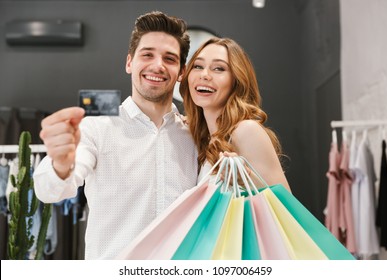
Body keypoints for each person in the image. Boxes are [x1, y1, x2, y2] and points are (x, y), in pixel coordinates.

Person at [33, 11, 198, 260]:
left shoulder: (194, 136)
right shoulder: (97, 128)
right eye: (147, 54)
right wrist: (60, 165)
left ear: (181, 71)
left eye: (170, 58)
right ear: (129, 62)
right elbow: (48, 190)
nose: (158, 65)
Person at [180, 37, 291, 191]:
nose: (204, 75)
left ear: (237, 80)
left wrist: (243, 178)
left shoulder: (246, 130)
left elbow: (285, 205)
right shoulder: (204, 139)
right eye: (198, 66)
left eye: (218, 68)